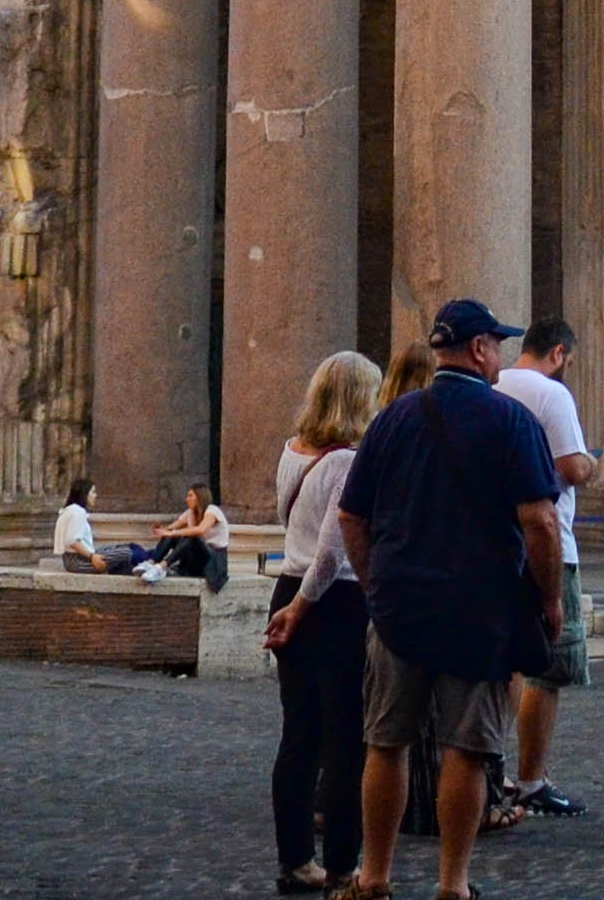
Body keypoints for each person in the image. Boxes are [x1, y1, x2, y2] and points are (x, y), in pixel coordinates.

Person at [340, 303, 559, 900]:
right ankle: (452, 884)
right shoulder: (511, 421)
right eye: (498, 343)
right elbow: (539, 520)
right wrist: (549, 599)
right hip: (479, 608)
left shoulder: (392, 419)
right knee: (467, 748)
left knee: (386, 742)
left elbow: (351, 515)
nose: (503, 355)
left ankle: (375, 875)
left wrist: (373, 584)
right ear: (481, 349)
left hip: (399, 608)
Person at [267, 350, 385, 891]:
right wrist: (304, 605)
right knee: (346, 742)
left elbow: (289, 525)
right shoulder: (348, 460)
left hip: (286, 587)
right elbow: (332, 552)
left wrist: (290, 603)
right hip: (329, 602)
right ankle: (342, 863)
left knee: (299, 736)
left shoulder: (291, 451)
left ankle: (294, 858)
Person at [493, 318, 599, 815]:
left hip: (493, 540)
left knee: (503, 663)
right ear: (557, 353)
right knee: (545, 668)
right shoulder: (550, 394)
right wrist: (592, 465)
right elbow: (571, 465)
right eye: (569, 363)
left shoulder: (492, 385)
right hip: (548, 539)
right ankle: (532, 778)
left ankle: (491, 766)